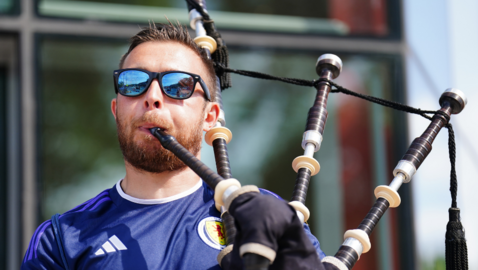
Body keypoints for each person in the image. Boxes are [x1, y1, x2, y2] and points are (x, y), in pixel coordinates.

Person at [21, 23, 325, 270]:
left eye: (178, 85)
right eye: (133, 82)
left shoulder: (263, 216)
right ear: (116, 110)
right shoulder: (62, 238)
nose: (152, 96)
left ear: (210, 117)